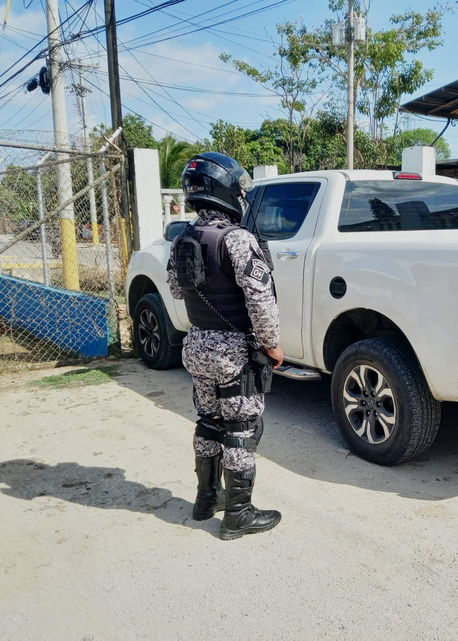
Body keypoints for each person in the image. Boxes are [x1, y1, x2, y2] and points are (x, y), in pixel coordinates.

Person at [166, 152, 284, 540]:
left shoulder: (183, 237)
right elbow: (261, 299)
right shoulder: (237, 240)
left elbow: (176, 289)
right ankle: (238, 514)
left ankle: (206, 498)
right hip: (234, 352)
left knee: (208, 420)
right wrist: (271, 346)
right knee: (240, 428)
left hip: (197, 344)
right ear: (227, 192)